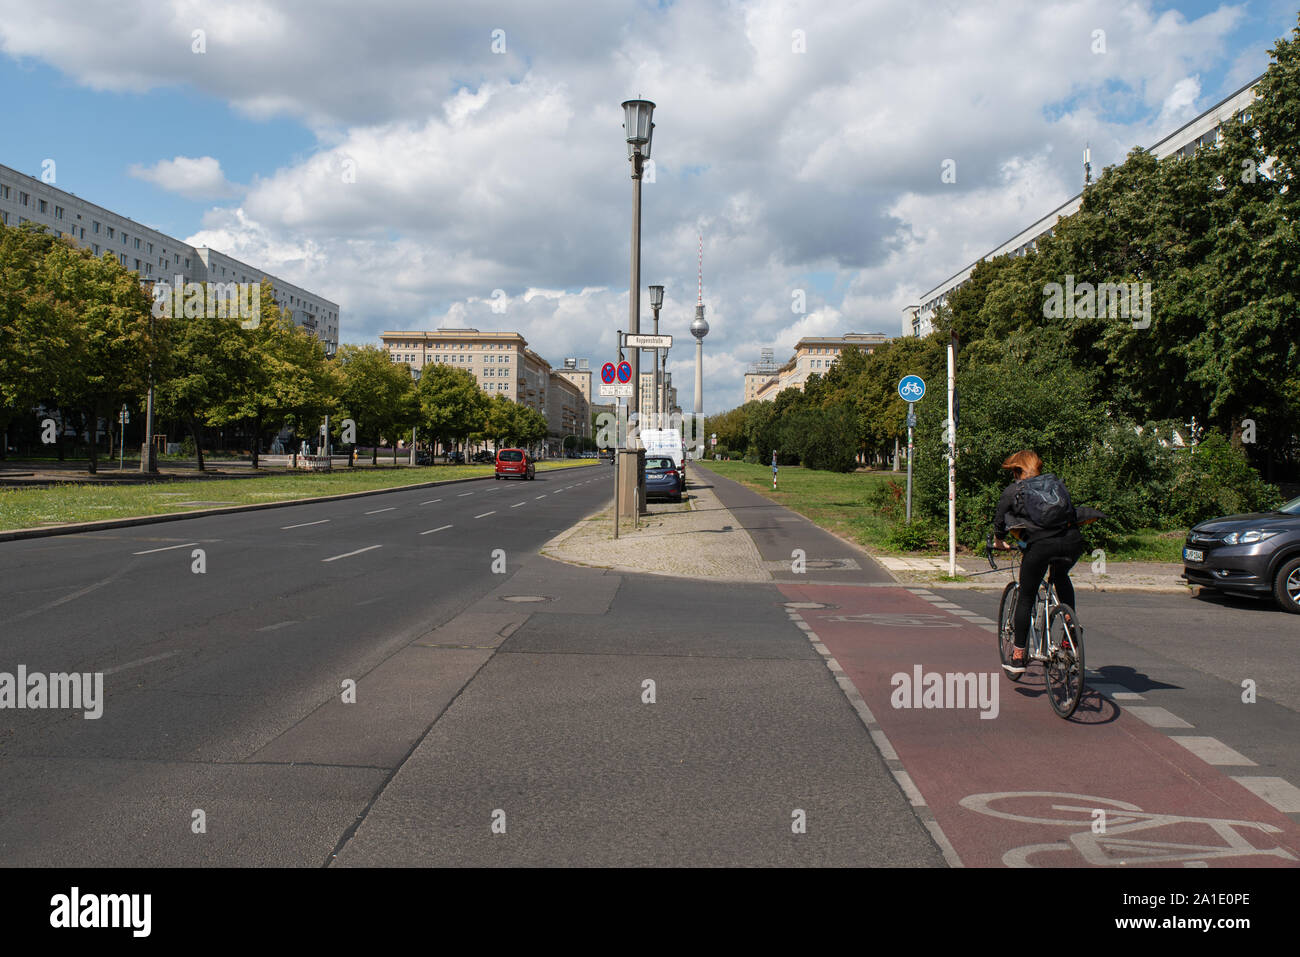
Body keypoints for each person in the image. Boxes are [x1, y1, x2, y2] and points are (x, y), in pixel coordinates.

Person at [993, 450, 1084, 675]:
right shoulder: (1055, 484)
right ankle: (1071, 628)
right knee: (1061, 576)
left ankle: (1017, 656)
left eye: (1013, 471)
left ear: (1017, 471)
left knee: (1026, 595)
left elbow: (999, 521)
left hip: (1041, 546)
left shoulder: (1014, 490)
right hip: (1072, 542)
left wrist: (998, 542)